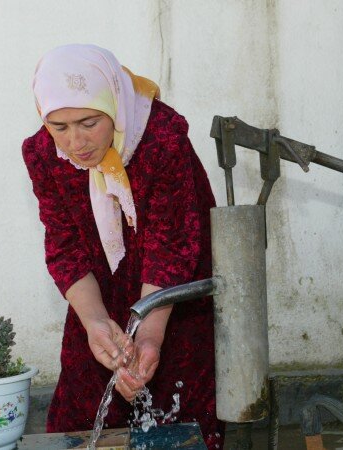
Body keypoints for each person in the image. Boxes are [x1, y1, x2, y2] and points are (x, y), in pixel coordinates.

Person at [22, 44, 224, 448]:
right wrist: (94, 321)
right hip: (101, 285)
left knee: (180, 406)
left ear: (114, 103)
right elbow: (63, 246)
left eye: (89, 122)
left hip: (174, 290)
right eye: (59, 126)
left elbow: (172, 247)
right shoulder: (45, 153)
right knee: (83, 404)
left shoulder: (161, 139)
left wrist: (150, 333)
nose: (75, 142)